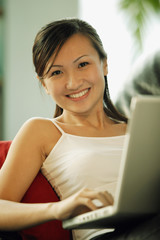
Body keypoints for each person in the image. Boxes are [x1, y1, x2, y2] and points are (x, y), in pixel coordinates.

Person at [0, 17, 131, 240]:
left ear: (104, 64)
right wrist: (56, 210)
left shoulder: (141, 129)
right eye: (56, 72)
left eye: (82, 64)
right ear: (44, 84)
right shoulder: (41, 131)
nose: (73, 82)